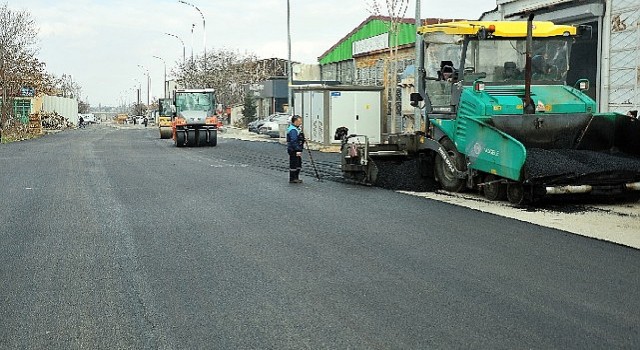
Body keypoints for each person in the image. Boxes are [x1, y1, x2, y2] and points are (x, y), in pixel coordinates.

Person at [286, 115, 304, 183]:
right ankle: (293, 178)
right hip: (293, 150)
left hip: (294, 149)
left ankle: (295, 177)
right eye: (300, 121)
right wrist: (298, 150)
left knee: (298, 163)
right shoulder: (293, 130)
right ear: (295, 121)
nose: (301, 123)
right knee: (294, 164)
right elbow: (293, 141)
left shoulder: (295, 128)